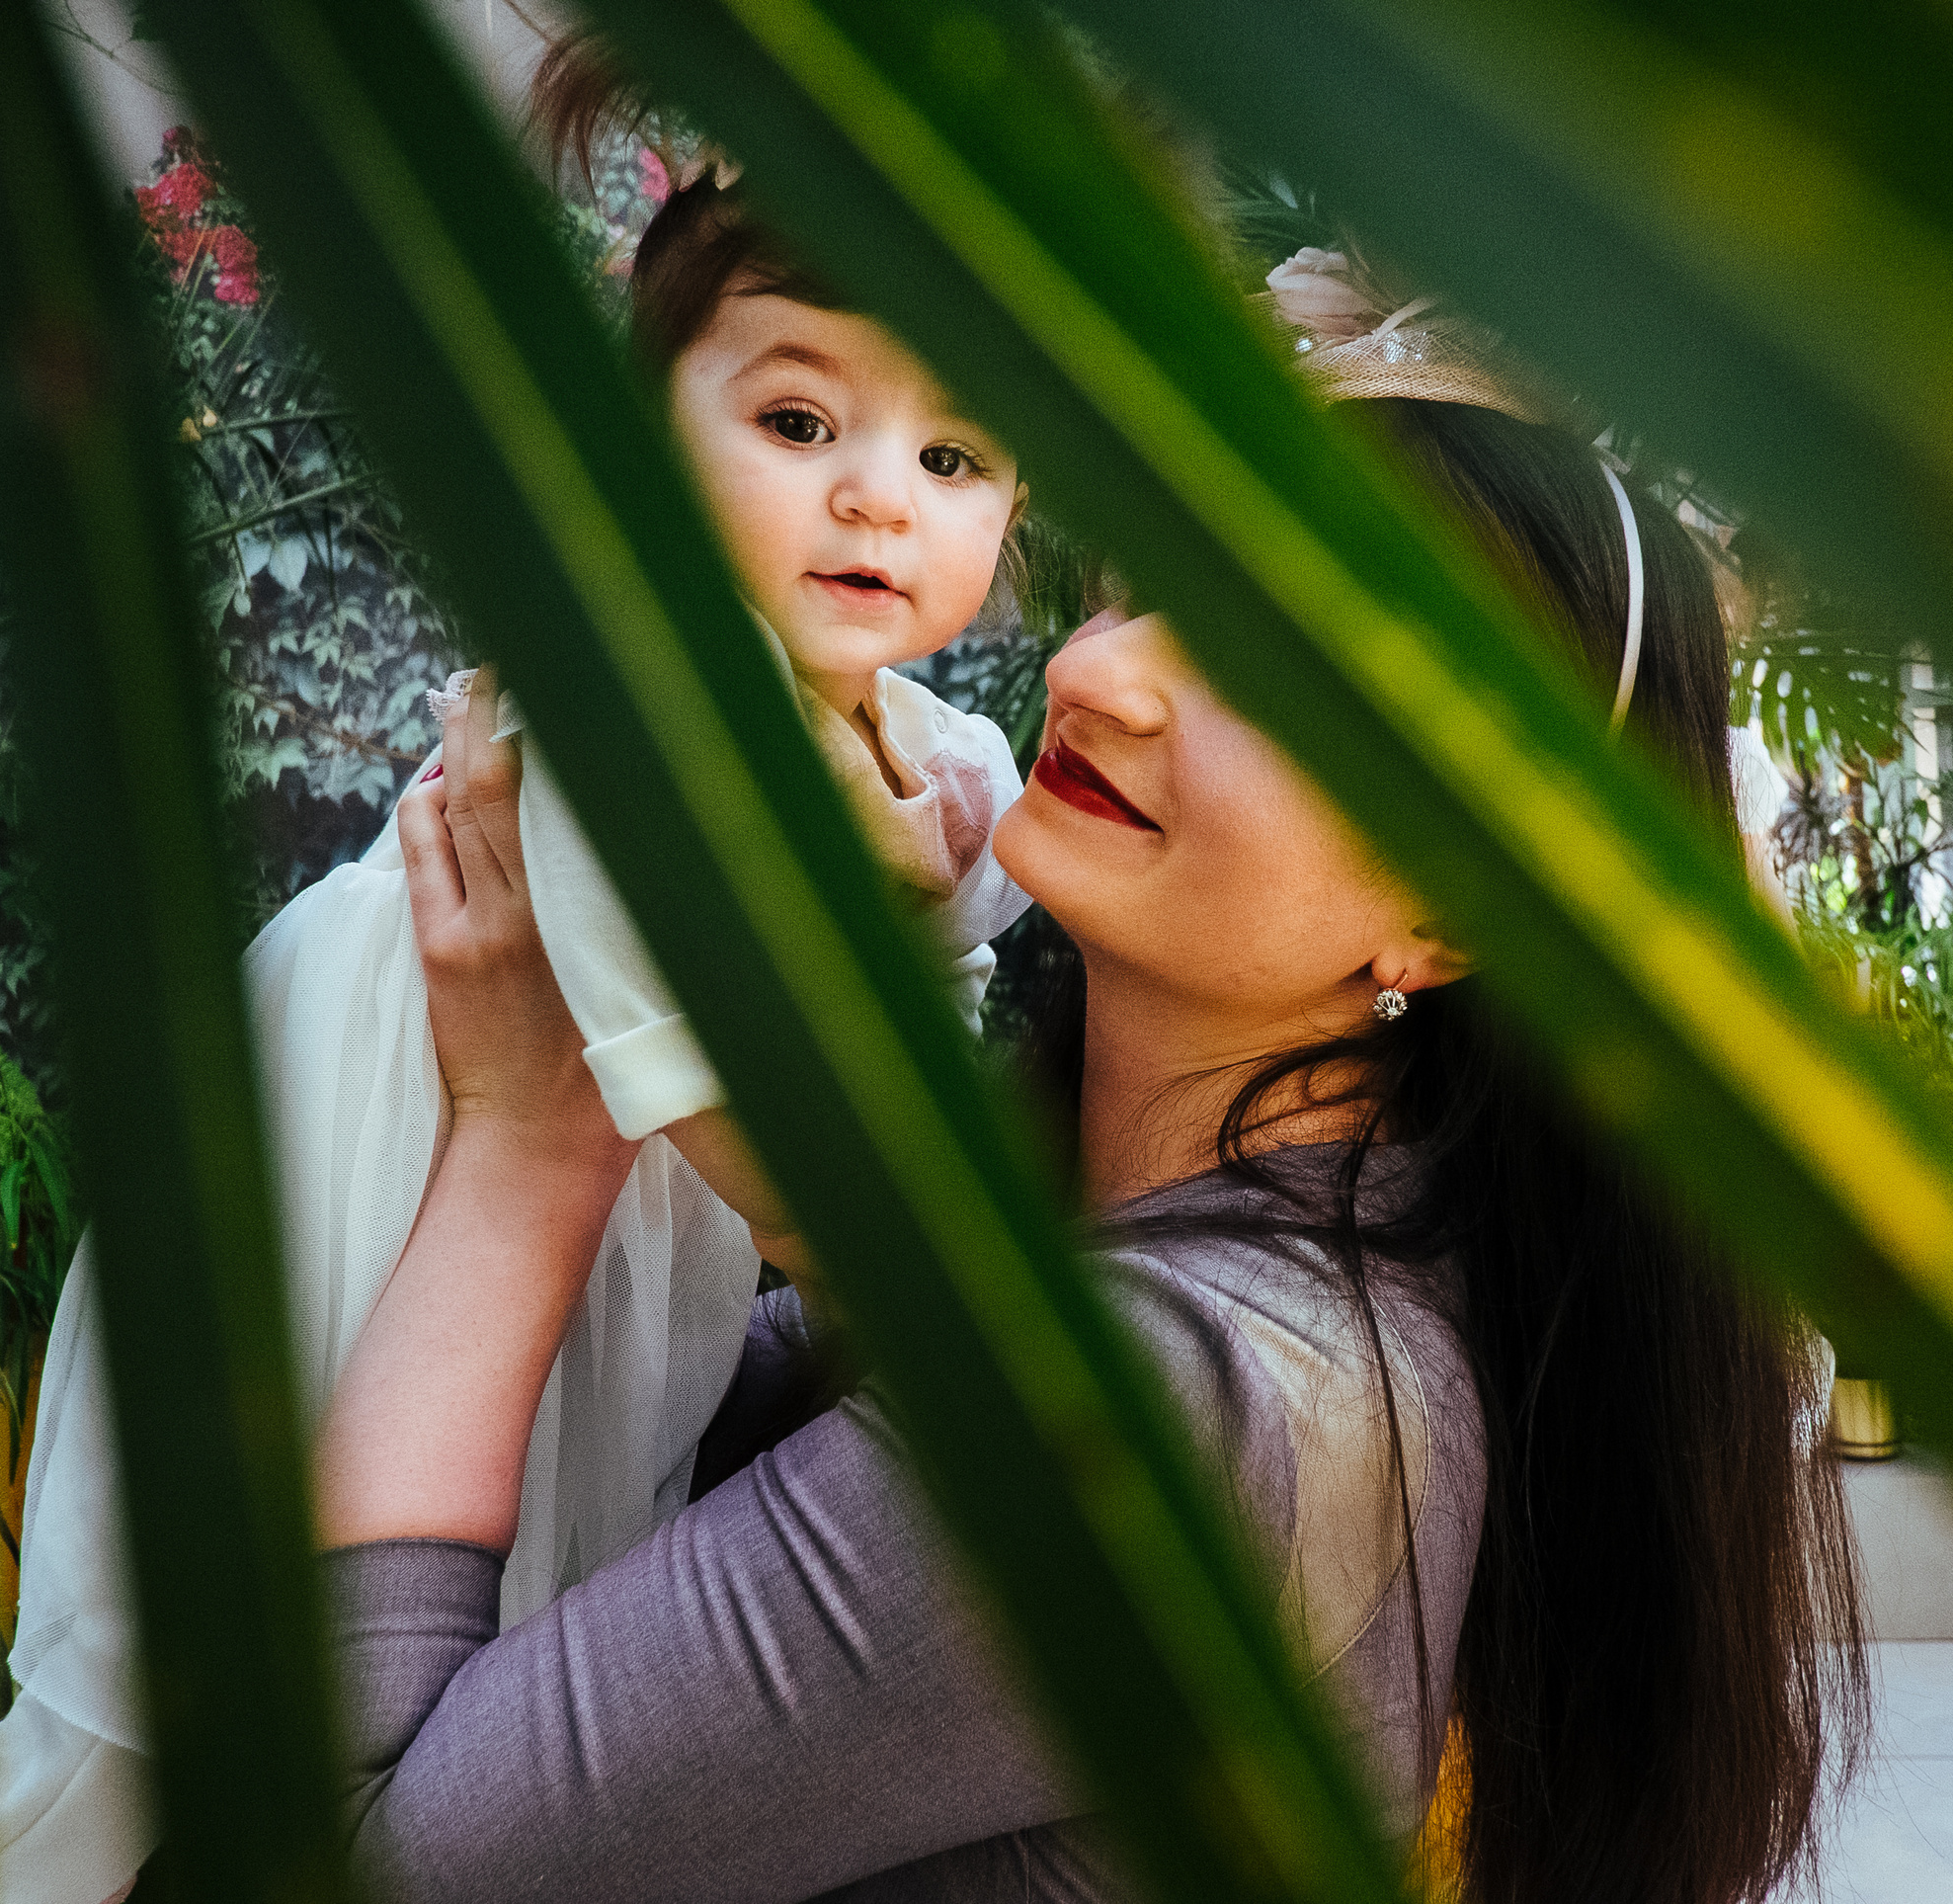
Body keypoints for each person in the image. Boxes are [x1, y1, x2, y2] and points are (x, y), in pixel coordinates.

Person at [303, 254, 1865, 1903]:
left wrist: (528, 1151)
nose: (1098, 672)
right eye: (1146, 588)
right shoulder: (1289, 1241)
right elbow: (715, 1420)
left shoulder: (1187, 1419)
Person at [0, 64, 1032, 1900]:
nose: (882, 501)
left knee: (543, 1529)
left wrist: (932, 879)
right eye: (800, 420)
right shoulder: (617, 701)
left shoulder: (900, 737)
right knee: (204, 1632)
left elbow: (950, 918)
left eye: (954, 461)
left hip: (590, 1170)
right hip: (396, 1134)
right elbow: (700, 1096)